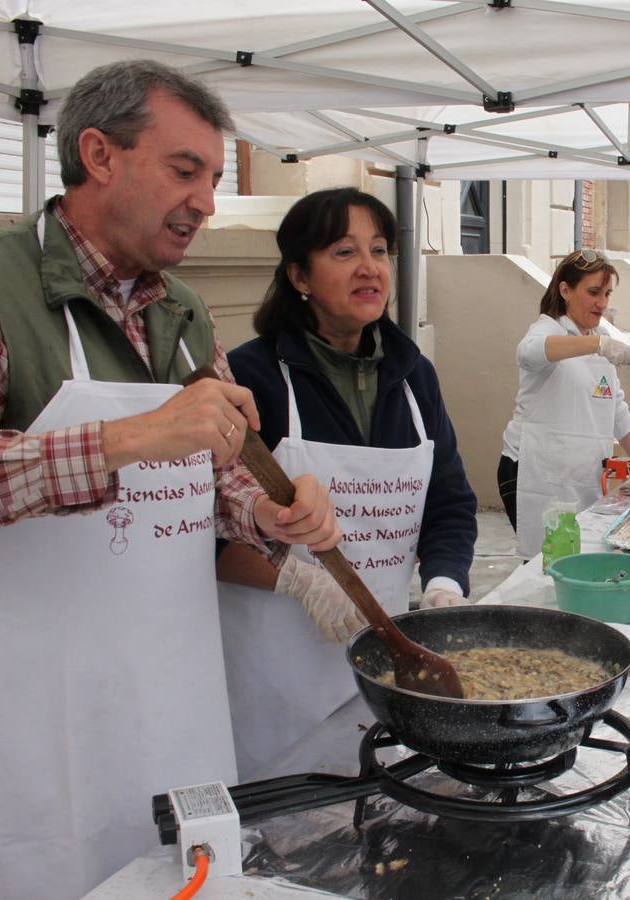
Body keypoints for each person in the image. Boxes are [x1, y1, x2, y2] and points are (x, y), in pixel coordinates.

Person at [0, 61, 341, 899]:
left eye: (214, 178)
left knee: (189, 869)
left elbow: (221, 472)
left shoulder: (178, 308)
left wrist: (273, 511)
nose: (208, 201)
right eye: (186, 170)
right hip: (46, 703)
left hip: (175, 675)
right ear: (99, 155)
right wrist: (123, 439)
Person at [217, 187, 478, 777]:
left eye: (380, 250)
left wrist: (443, 587)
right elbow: (203, 535)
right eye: (343, 251)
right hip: (274, 665)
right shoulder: (248, 376)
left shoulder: (415, 377)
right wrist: (299, 580)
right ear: (298, 275)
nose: (370, 267)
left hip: (387, 657)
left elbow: (450, 503)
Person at [498, 249, 630, 556]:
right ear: (565, 290)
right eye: (593, 292)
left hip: (582, 473)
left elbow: (616, 406)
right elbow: (528, 352)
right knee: (548, 563)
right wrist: (598, 344)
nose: (602, 303)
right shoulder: (547, 329)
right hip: (534, 472)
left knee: (583, 557)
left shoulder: (599, 334)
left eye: (607, 293)